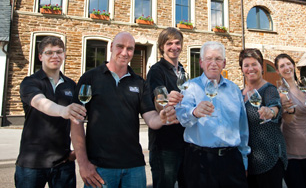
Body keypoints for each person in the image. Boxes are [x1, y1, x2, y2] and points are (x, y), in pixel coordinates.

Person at [71, 32, 176, 188]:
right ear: (111, 47)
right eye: (120, 47)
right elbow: (76, 121)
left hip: (134, 167)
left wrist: (162, 118)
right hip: (100, 168)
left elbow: (151, 118)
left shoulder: (140, 82)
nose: (125, 53)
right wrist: (83, 163)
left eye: (130, 49)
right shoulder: (90, 78)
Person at [176, 41, 250, 188]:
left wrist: (244, 159)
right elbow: (182, 118)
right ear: (201, 63)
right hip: (200, 161)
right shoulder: (190, 87)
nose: (213, 63)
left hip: (232, 161)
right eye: (209, 59)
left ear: (224, 63)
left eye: (218, 59)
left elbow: (243, 127)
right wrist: (195, 113)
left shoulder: (234, 89)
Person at [15, 36, 86, 188]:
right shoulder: (30, 82)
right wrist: (64, 110)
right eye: (49, 52)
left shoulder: (71, 85)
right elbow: (40, 102)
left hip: (63, 164)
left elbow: (78, 121)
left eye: (59, 52)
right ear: (40, 56)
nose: (55, 56)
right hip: (31, 164)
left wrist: (78, 153)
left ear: (64, 55)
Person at [239, 48, 287, 188]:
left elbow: (275, 105)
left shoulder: (269, 89)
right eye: (246, 65)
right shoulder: (239, 93)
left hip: (269, 158)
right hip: (248, 160)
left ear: (261, 66)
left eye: (254, 64)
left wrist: (270, 112)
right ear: (242, 69)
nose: (250, 68)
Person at [145, 27, 186, 188]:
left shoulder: (181, 70)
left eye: (177, 43)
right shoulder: (156, 71)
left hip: (183, 140)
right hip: (164, 145)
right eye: (169, 43)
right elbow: (158, 98)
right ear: (162, 46)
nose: (174, 47)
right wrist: (166, 101)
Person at [274, 53, 306, 188]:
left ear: (293, 66)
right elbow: (285, 120)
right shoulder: (279, 93)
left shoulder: (304, 89)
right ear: (277, 71)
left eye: (289, 64)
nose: (287, 67)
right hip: (290, 154)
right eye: (282, 66)